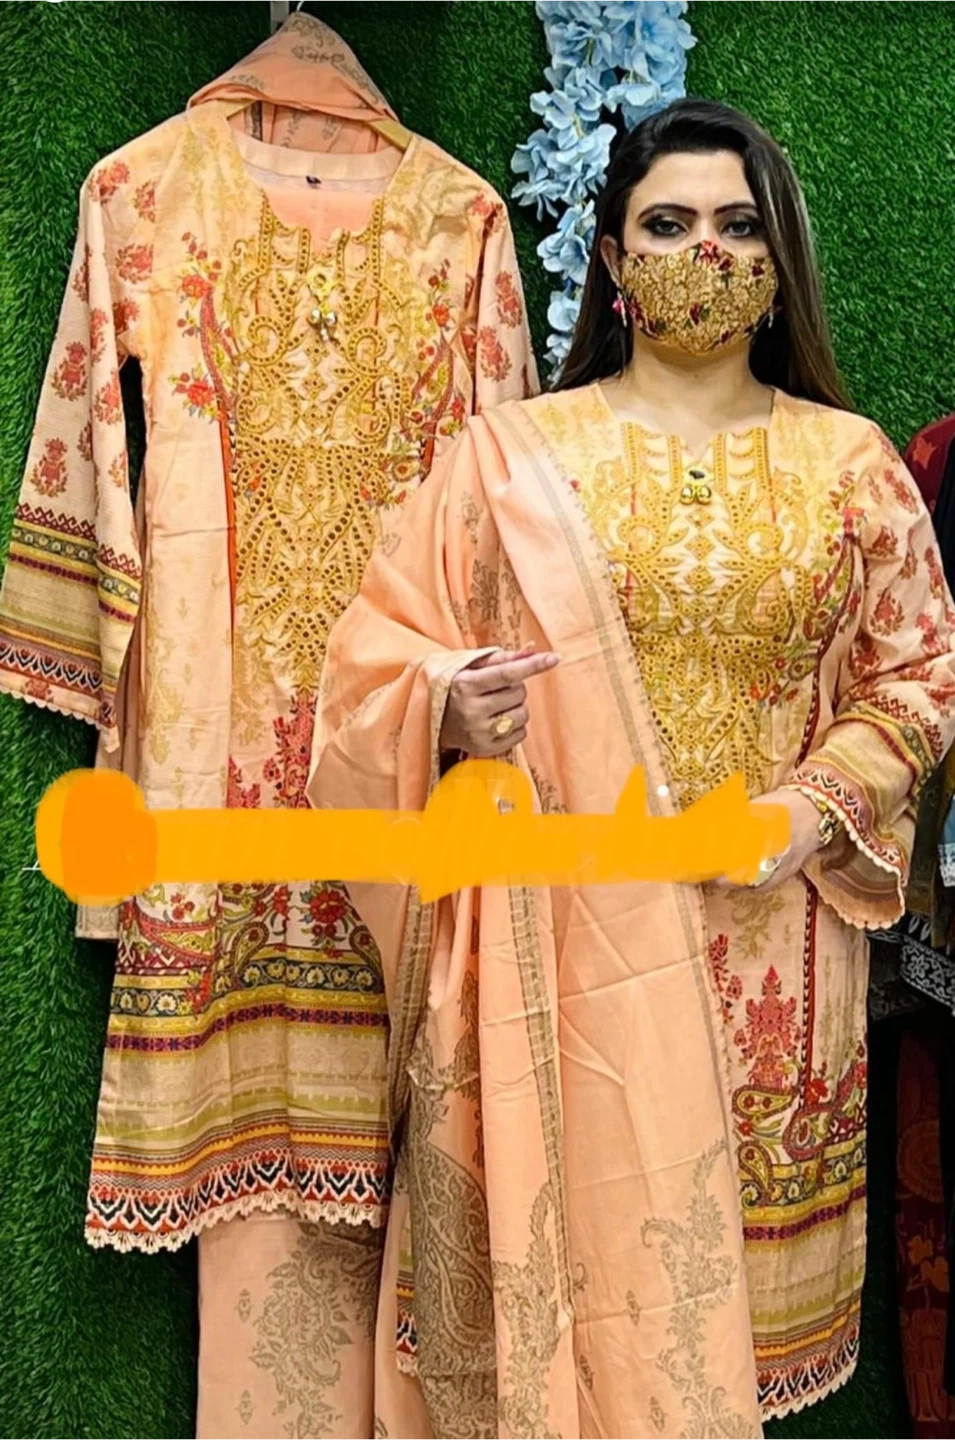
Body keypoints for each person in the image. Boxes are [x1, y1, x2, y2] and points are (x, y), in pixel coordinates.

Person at [308, 99, 955, 1438]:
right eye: (667, 225)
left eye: (737, 226)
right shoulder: (512, 461)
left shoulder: (850, 467)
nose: (703, 253)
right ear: (610, 258)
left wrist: (809, 810)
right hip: (565, 972)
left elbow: (918, 679)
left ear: (777, 259)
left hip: (768, 979)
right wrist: (446, 705)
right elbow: (374, 661)